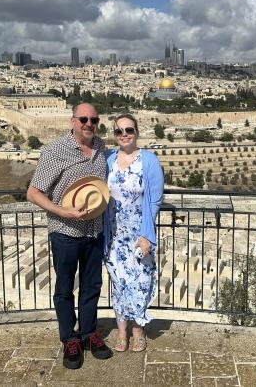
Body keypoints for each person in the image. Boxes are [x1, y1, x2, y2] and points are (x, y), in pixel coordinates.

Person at [26, 103, 113, 370]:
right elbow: (33, 192)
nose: (89, 123)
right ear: (72, 121)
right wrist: (62, 211)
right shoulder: (54, 151)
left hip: (94, 230)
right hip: (65, 233)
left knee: (92, 287)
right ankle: (69, 339)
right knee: (64, 289)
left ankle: (88, 334)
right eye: (84, 119)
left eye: (94, 119)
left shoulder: (100, 149)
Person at [104, 113, 164, 352]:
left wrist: (147, 235)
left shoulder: (148, 160)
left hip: (139, 234)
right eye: (119, 131)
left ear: (137, 132)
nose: (124, 135)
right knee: (118, 283)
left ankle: (138, 329)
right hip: (114, 235)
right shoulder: (108, 159)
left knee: (141, 281)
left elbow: (156, 200)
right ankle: (121, 331)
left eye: (129, 130)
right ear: (114, 135)